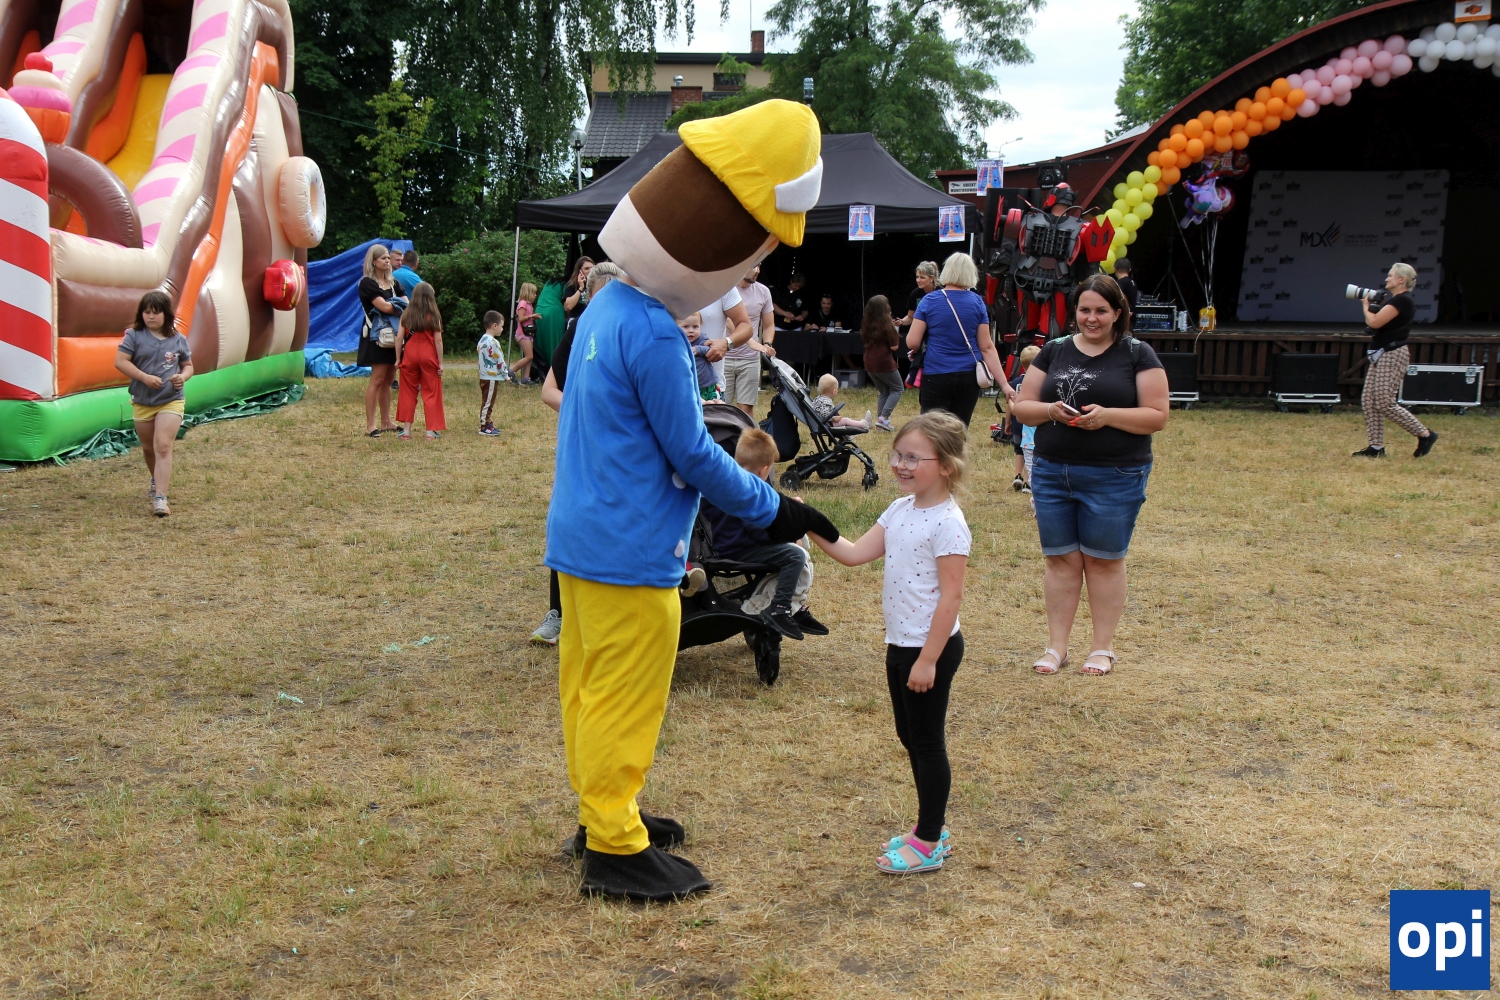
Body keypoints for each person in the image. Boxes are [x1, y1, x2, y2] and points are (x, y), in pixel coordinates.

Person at [549, 98, 838, 900]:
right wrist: (776, 508)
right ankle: (614, 846)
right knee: (626, 693)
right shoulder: (651, 331)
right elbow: (694, 452)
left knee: (589, 686)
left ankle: (604, 812)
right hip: (630, 547)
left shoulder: (605, 308)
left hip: (580, 537)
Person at [807, 411, 971, 874]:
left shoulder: (948, 522)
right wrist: (807, 519)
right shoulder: (900, 510)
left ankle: (929, 840)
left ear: (946, 466)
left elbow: (951, 598)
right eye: (897, 454)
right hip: (901, 644)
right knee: (909, 736)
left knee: (927, 741)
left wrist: (928, 660)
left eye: (913, 458)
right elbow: (853, 553)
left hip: (930, 649)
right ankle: (930, 826)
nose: (900, 464)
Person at [1010, 274, 1169, 677]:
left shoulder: (1138, 353)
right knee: (1060, 560)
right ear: (1075, 312)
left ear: (1118, 313)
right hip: (1052, 472)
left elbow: (1157, 415)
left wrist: (1108, 417)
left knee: (1103, 561)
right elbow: (1022, 407)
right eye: (1084, 310)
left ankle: (1102, 649)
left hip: (1115, 474)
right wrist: (1050, 411)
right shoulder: (1054, 350)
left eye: (1101, 310)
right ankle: (1056, 647)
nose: (1091, 318)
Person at [532, 261, 624, 645]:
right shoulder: (578, 330)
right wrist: (584, 410)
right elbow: (549, 391)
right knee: (570, 520)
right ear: (588, 296)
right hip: (581, 443)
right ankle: (558, 612)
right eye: (599, 296)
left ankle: (608, 608)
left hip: (620, 449)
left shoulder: (628, 331)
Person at [701, 427, 823, 639]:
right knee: (796, 555)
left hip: (725, 545)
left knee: (796, 543)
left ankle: (796, 606)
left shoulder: (726, 483)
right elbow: (758, 531)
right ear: (763, 470)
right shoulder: (750, 491)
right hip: (742, 549)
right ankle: (781, 608)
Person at [114, 290, 192, 517]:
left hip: (171, 400)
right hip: (142, 401)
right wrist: (144, 378)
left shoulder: (178, 339)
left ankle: (160, 498)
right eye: (146, 312)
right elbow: (120, 361)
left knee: (163, 445)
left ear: (166, 314)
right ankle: (155, 480)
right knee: (149, 449)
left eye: (156, 312)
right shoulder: (133, 335)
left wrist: (182, 377)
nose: (150, 316)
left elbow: (188, 366)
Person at [905, 253, 1004, 427]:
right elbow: (987, 347)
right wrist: (1005, 385)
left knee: (932, 430)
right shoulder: (977, 302)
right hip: (968, 375)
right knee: (959, 428)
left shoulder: (929, 300)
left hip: (936, 373)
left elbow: (912, 342)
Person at [1354, 262, 1438, 459]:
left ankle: (1425, 434)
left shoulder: (1402, 301)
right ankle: (1376, 447)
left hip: (1392, 354)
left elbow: (1374, 322)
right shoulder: (1397, 301)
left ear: (1402, 280)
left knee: (1384, 402)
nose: (1386, 279)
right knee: (1369, 400)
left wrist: (1365, 306)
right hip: (1382, 353)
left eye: (1390, 275)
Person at [357, 244, 406, 436]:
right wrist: (398, 306)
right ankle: (371, 425)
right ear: (373, 261)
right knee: (377, 379)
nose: (387, 261)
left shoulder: (393, 283)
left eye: (388, 258)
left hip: (394, 336)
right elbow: (383, 307)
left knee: (388, 380)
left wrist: (396, 305)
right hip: (377, 337)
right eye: (383, 258)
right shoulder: (367, 284)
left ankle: (386, 421)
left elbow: (406, 303)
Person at [722, 264, 776, 415]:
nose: (757, 271)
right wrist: (750, 341)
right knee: (721, 408)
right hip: (724, 356)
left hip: (749, 359)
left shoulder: (763, 291)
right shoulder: (725, 288)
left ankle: (745, 432)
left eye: (759, 266)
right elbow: (729, 321)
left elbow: (769, 325)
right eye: (753, 266)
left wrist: (767, 344)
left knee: (745, 410)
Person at [393, 282, 445, 439]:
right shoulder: (434, 316)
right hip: (428, 355)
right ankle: (430, 431)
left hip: (410, 354)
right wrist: (440, 362)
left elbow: (399, 338)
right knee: (431, 391)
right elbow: (438, 341)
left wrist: (398, 359)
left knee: (407, 391)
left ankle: (406, 431)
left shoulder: (407, 314)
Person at [862, 294, 903, 431]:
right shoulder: (888, 326)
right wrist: (895, 328)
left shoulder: (866, 324)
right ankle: (883, 418)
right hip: (884, 361)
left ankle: (881, 424)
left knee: (884, 391)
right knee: (897, 388)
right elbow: (894, 347)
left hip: (869, 362)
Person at [698, 284, 750, 390]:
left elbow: (746, 326)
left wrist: (726, 343)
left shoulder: (723, 285)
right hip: (670, 385)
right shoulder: (666, 285)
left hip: (710, 387)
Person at [1004, 345, 1041, 490]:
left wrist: (1007, 422)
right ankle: (1027, 481)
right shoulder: (1040, 383)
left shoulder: (1015, 383)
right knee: (1031, 451)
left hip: (1017, 422)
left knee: (1019, 450)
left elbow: (1009, 405)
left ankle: (1017, 475)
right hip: (1033, 423)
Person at [678, 311, 721, 401]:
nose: (691, 331)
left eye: (695, 327)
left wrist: (699, 349)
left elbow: (711, 349)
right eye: (686, 327)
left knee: (711, 405)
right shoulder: (677, 341)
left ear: (700, 326)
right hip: (689, 384)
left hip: (707, 383)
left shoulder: (701, 339)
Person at [477, 310, 507, 435]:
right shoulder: (494, 342)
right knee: (488, 401)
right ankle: (485, 425)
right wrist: (505, 374)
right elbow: (499, 359)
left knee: (487, 400)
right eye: (502, 326)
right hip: (491, 377)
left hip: (484, 376)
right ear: (495, 325)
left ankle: (487, 422)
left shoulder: (481, 340)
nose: (502, 329)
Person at [896, 261, 940, 331]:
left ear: (932, 278)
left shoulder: (941, 292)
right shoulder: (915, 293)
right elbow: (910, 317)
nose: (918, 280)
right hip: (922, 331)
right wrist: (902, 321)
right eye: (917, 277)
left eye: (922, 277)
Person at [513, 283, 539, 385]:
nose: (535, 295)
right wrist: (531, 316)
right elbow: (521, 318)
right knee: (529, 356)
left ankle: (526, 378)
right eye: (533, 293)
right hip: (522, 333)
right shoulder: (523, 304)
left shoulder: (529, 305)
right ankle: (511, 372)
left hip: (528, 333)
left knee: (529, 357)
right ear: (528, 293)